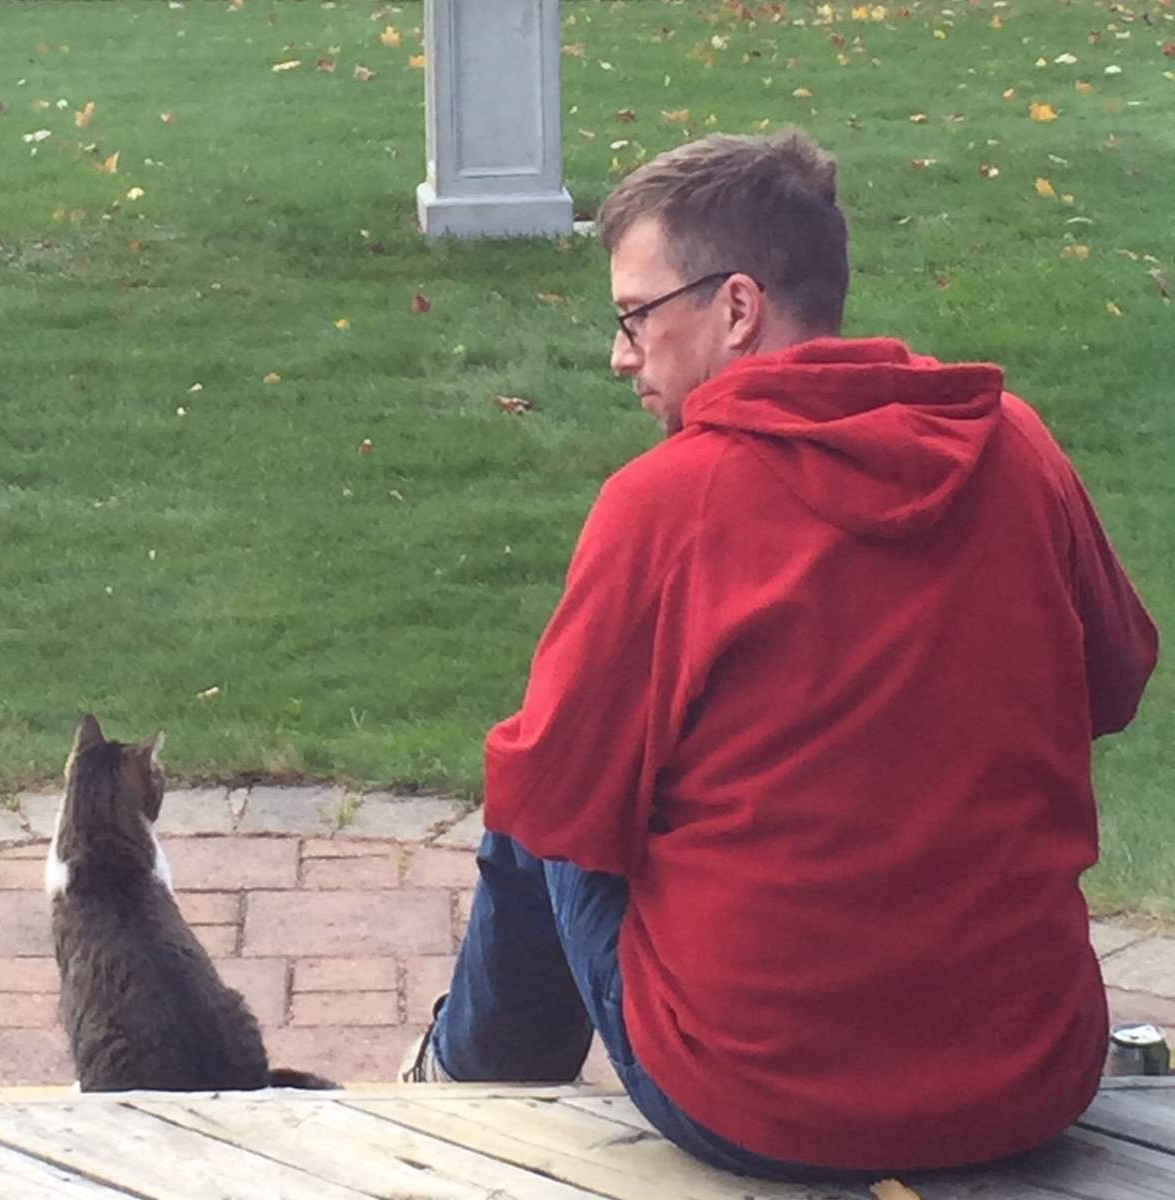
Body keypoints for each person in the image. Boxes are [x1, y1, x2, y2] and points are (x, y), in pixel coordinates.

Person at [398, 129, 1159, 1179]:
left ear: (739, 308)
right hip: (1029, 1076)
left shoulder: (665, 508)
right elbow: (1114, 681)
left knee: (536, 793)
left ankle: (458, 1097)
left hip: (757, 1100)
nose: (621, 354)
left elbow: (554, 797)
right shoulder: (1017, 448)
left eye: (635, 318)